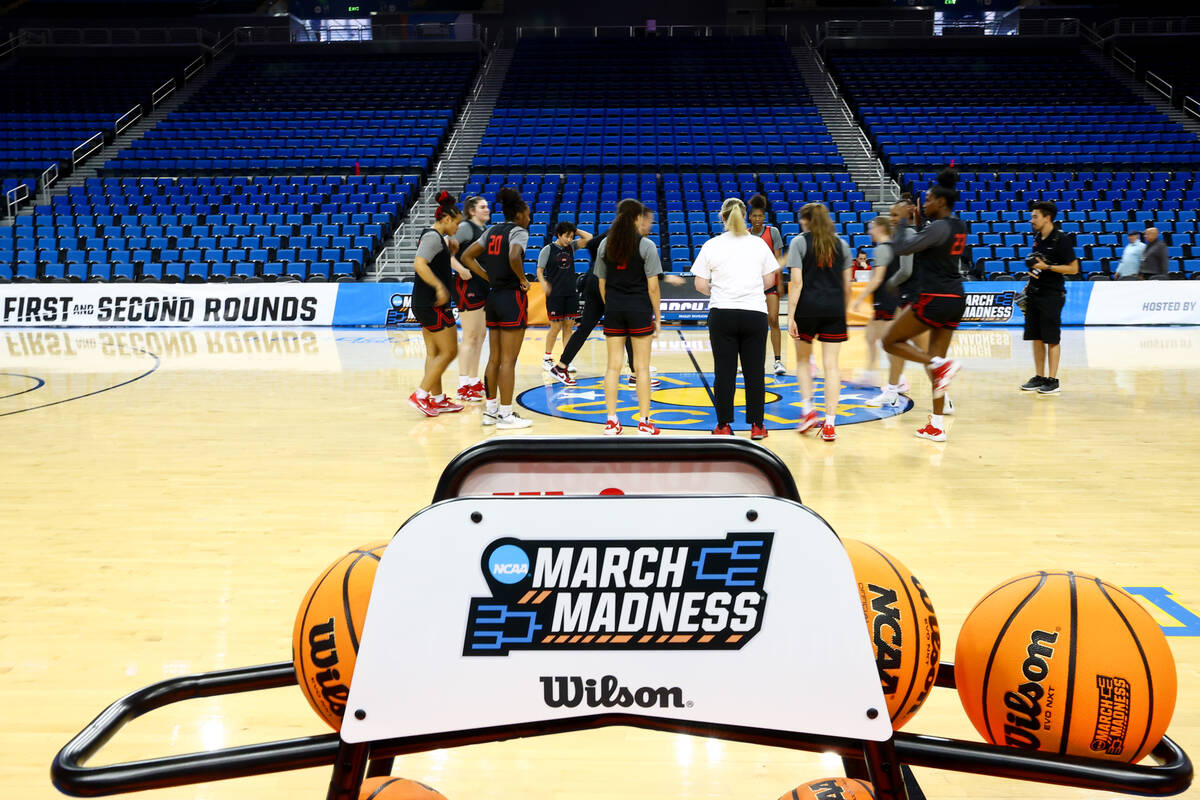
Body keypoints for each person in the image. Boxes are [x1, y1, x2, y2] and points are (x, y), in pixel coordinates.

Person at [881, 168, 967, 442]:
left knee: (890, 341)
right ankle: (937, 424)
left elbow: (901, 248)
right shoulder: (957, 225)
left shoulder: (938, 227)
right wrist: (918, 225)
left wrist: (904, 222)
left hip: (935, 298)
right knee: (938, 368)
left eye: (928, 200)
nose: (924, 204)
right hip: (955, 298)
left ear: (941, 202)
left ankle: (937, 364)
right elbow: (930, 246)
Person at [692, 198, 779, 439]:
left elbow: (700, 284)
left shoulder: (711, 245)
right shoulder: (759, 244)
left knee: (724, 372)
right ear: (746, 216)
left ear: (722, 217)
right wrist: (748, 288)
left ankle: (723, 425)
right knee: (755, 372)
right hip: (754, 313)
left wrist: (720, 289)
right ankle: (757, 425)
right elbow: (771, 280)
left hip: (723, 313)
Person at [460, 187, 533, 429]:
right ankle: (506, 414)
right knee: (509, 361)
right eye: (528, 214)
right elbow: (514, 255)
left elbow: (467, 257)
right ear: (520, 213)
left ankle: (490, 412)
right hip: (512, 298)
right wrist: (523, 279)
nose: (530, 218)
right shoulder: (519, 232)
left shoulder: (491, 231)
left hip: (493, 298)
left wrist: (487, 277)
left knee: (494, 358)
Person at [594, 199, 662, 436]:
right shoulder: (646, 246)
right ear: (636, 218)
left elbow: (601, 284)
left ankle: (611, 421)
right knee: (641, 368)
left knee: (612, 367)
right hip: (639, 309)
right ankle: (644, 422)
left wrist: (611, 304)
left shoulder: (605, 245)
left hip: (614, 309)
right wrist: (659, 317)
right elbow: (653, 288)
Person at [787, 202, 853, 442]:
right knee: (832, 366)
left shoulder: (799, 242)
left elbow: (796, 282)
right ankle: (830, 424)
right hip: (834, 310)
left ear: (805, 220)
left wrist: (791, 316)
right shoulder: (842, 244)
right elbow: (847, 286)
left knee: (804, 361)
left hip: (808, 309)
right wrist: (841, 311)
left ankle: (808, 411)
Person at [408, 192, 465, 417]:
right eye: (457, 223)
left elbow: (434, 262)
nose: (458, 228)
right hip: (432, 303)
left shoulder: (437, 237)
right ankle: (420, 395)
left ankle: (438, 399)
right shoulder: (433, 237)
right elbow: (419, 264)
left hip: (425, 303)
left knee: (434, 353)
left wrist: (449, 252)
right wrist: (440, 288)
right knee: (449, 351)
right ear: (447, 219)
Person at [1019, 201, 1079, 395]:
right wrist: (1029, 282)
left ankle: (1053, 380)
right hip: (1035, 292)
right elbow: (1039, 265)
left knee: (1051, 338)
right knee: (1036, 337)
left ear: (1047, 217)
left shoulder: (1061, 239)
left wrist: (1049, 268)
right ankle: (1040, 376)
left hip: (1052, 294)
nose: (1031, 220)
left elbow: (1073, 268)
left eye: (1035, 216)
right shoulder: (1038, 238)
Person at [451, 196, 491, 401]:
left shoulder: (484, 230)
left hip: (482, 285)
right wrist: (460, 268)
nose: (487, 209)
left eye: (487, 206)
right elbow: (446, 247)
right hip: (467, 286)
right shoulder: (466, 227)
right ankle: (462, 384)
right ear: (472, 211)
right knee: (470, 336)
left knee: (480, 335)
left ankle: (474, 381)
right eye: (482, 207)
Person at [849, 216, 899, 377]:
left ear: (881, 228)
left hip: (885, 300)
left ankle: (898, 378)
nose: (869, 231)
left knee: (887, 342)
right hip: (888, 300)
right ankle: (870, 374)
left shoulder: (883, 249)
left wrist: (859, 298)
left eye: (872, 227)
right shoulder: (893, 246)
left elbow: (877, 278)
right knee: (870, 336)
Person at [538, 221, 592, 371]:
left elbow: (589, 237)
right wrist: (542, 282)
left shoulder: (571, 247)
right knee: (555, 327)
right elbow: (539, 270)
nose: (569, 239)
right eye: (566, 236)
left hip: (570, 292)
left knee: (569, 327)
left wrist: (575, 229)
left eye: (571, 236)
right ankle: (547, 357)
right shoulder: (547, 250)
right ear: (558, 235)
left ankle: (566, 359)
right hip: (555, 293)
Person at [748, 194, 787, 376]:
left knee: (773, 320)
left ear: (764, 217)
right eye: (754, 216)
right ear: (749, 217)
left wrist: (780, 283)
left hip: (771, 283)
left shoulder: (773, 232)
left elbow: (778, 259)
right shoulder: (746, 234)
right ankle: (749, 361)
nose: (757, 219)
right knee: (753, 325)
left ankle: (778, 361)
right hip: (752, 285)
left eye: (760, 216)